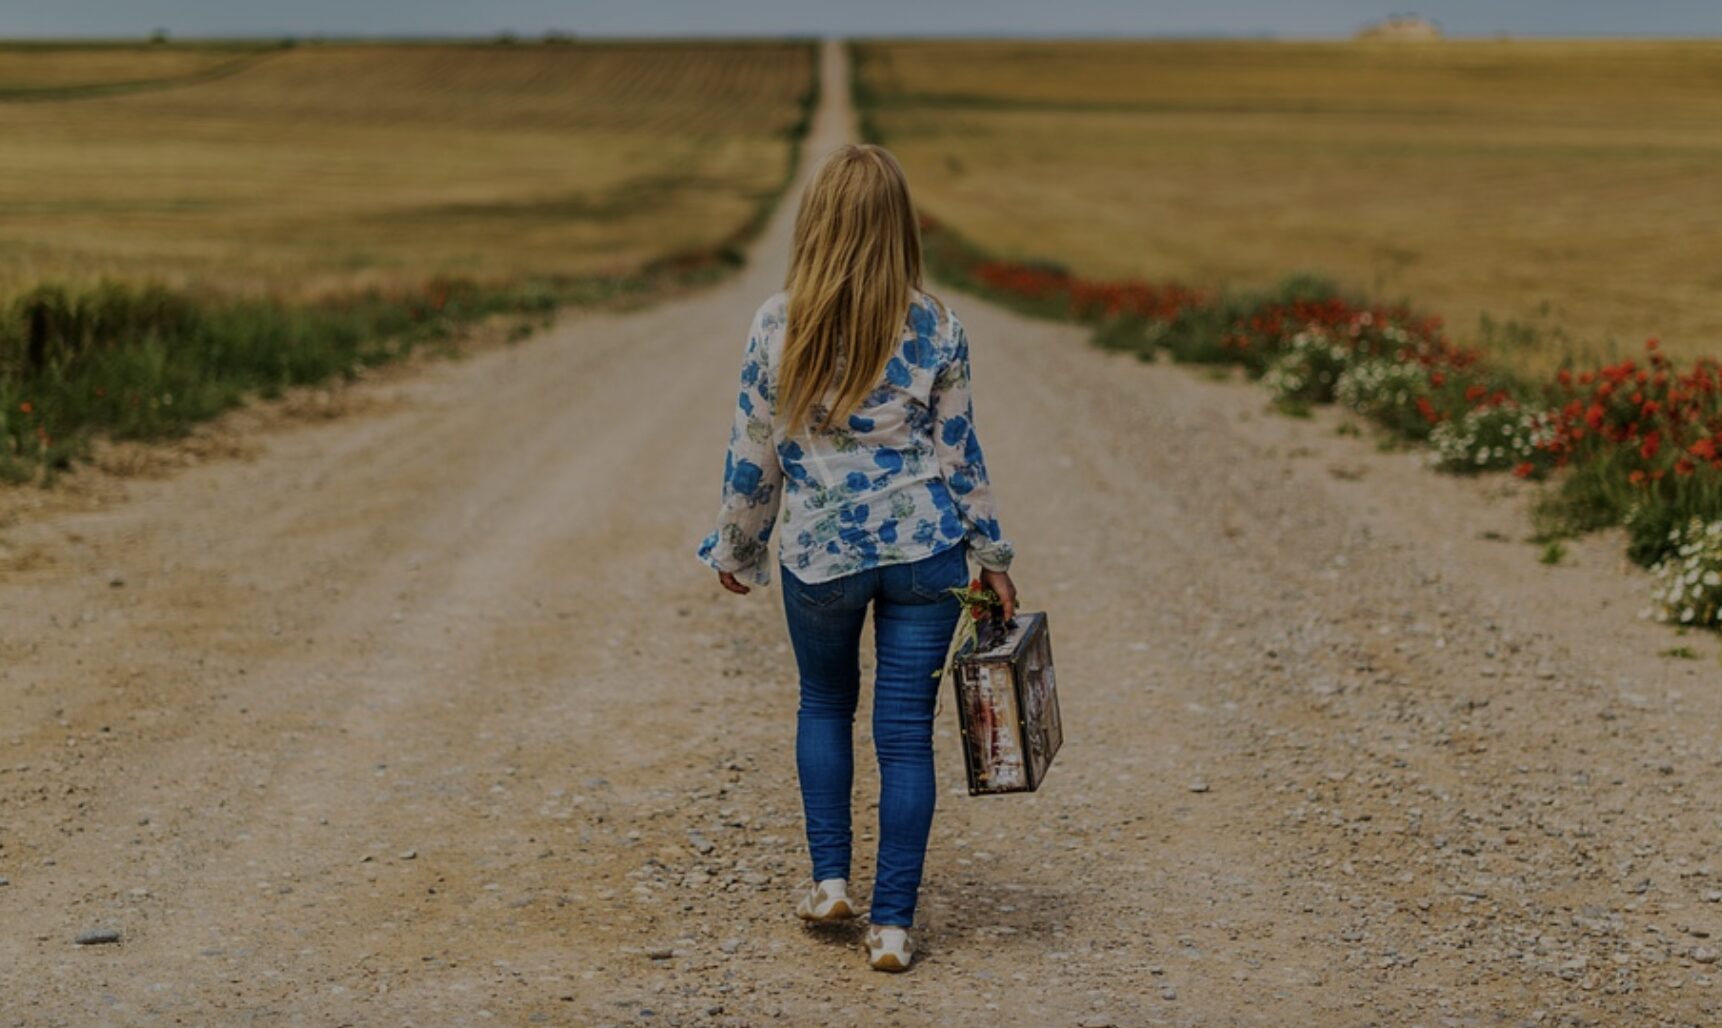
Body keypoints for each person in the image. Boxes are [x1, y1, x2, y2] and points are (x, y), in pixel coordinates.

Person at [696, 143, 1016, 973]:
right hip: (925, 550)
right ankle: (893, 927)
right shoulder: (938, 324)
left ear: (819, 223)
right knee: (906, 737)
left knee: (824, 704)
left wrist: (739, 543)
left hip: (821, 555)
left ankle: (831, 879)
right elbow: (960, 454)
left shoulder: (779, 320)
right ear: (899, 228)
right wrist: (993, 553)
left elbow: (753, 451)